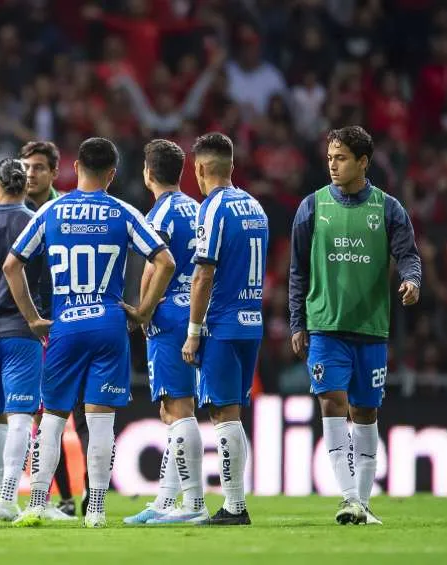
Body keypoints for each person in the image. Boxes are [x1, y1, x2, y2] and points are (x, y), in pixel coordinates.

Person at [6, 137, 176, 528]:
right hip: (109, 323)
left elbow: (11, 265)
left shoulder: (51, 211)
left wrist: (33, 318)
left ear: (74, 167)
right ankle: (96, 508)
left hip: (65, 325)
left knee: (52, 417)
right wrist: (143, 310)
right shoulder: (124, 211)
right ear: (112, 174)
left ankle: (36, 503)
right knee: (100, 422)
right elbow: (164, 261)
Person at [288, 125, 421, 526]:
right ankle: (348, 498)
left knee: (365, 413)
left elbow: (409, 255)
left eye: (341, 157)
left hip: (371, 329)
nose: (332, 164)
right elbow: (298, 270)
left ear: (363, 162)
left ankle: (361, 503)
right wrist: (297, 321)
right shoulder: (312, 207)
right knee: (332, 403)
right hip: (326, 326)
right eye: (330, 157)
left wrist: (412, 280)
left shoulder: (388, 208)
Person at [0, 157, 67, 523]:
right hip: (26, 332)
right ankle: (7, 498)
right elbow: (53, 280)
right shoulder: (39, 224)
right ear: (24, 187)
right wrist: (47, 323)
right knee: (22, 416)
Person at [180, 132, 269, 526]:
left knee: (223, 414)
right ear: (231, 166)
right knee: (232, 413)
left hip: (221, 323)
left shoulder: (212, 208)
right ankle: (236, 503)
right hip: (252, 322)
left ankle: (235, 506)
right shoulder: (255, 206)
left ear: (199, 169)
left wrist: (193, 330)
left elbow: (203, 274)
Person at [124, 140, 206, 525]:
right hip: (199, 314)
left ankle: (192, 504)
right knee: (172, 409)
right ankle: (165, 500)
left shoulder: (157, 215)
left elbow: (158, 267)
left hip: (169, 316)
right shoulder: (199, 208)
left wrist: (143, 312)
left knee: (179, 409)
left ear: (148, 174)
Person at [16, 140, 78, 517]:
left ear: (54, 171)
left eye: (38, 167)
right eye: (25, 166)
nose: (30, 173)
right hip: (28, 327)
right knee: (42, 415)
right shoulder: (11, 210)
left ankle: (87, 494)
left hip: (68, 322)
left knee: (84, 415)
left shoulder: (67, 210)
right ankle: (64, 496)